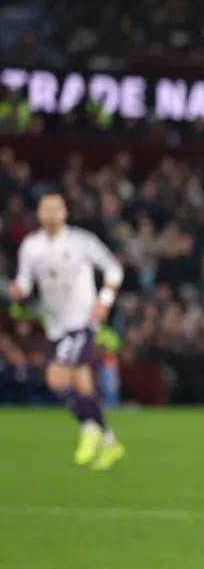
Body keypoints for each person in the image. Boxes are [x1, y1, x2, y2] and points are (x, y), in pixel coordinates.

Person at [9, 190, 125, 469]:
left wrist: (104, 300)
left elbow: (114, 269)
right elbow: (25, 282)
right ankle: (110, 442)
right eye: (45, 209)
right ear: (38, 214)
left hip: (82, 320)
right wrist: (18, 290)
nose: (51, 214)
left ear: (65, 213)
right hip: (55, 325)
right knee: (82, 383)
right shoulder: (31, 246)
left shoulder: (81, 241)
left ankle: (88, 428)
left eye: (56, 209)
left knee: (56, 378)